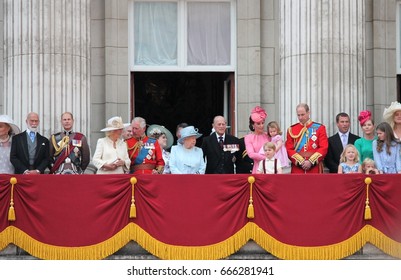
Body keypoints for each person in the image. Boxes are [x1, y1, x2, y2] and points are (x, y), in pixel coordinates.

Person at [285, 103, 328, 174]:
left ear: (308, 113)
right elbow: (289, 149)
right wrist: (301, 162)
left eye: (302, 114)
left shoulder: (320, 128)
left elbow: (324, 147)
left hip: (314, 167)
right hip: (298, 168)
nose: (300, 118)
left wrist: (311, 161)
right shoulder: (292, 129)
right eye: (298, 115)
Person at [244, 106, 270, 174]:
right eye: (258, 124)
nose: (261, 125)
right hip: (258, 169)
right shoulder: (248, 137)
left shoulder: (268, 135)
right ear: (253, 125)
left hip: (271, 168)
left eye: (263, 123)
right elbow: (251, 154)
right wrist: (267, 158)